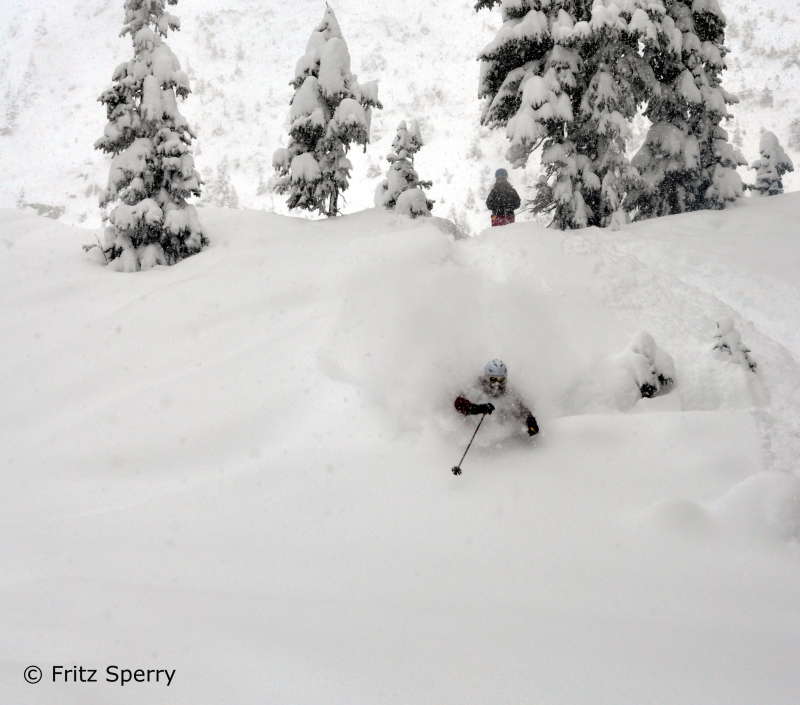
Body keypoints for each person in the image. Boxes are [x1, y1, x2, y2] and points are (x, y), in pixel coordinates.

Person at [454, 359, 538, 436]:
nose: (497, 384)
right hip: (476, 431)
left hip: (500, 435)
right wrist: (477, 408)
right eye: (494, 380)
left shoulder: (508, 391)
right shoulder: (476, 386)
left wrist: (530, 420)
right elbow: (458, 403)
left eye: (501, 380)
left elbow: (520, 408)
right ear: (486, 377)